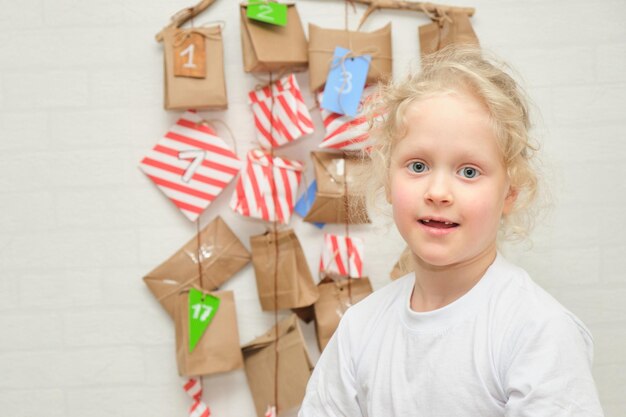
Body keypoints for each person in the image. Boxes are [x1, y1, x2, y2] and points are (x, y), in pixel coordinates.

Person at [298, 45, 604, 417]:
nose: (438, 192)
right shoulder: (359, 330)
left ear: (509, 193)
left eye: (469, 171)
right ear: (388, 180)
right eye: (417, 165)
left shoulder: (537, 332)